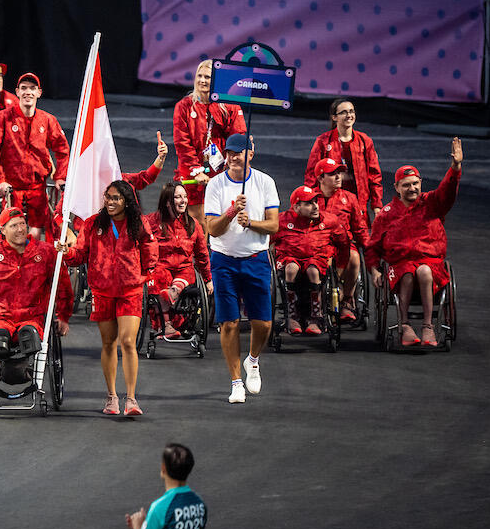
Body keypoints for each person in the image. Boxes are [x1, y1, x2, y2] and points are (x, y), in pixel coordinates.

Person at [59, 180, 158, 416]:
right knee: (108, 343)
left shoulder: (138, 223)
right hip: (102, 291)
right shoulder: (94, 223)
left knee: (127, 342)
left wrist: (144, 273)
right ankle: (112, 396)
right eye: (108, 197)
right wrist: (66, 252)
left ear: (126, 201)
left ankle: (131, 399)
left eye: (116, 198)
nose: (111, 202)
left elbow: (150, 248)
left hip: (129, 291)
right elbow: (80, 254)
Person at [204, 134, 279, 404]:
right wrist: (230, 212)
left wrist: (251, 223)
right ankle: (236, 382)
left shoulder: (265, 182)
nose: (233, 157)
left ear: (251, 153)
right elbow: (212, 229)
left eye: (239, 152)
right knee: (229, 323)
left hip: (256, 258)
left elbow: (273, 226)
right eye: (229, 152)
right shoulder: (215, 185)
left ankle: (253, 361)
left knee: (263, 324)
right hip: (224, 260)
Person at [366, 138, 462, 347]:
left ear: (421, 183)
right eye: (406, 185)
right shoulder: (386, 214)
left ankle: (428, 326)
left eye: (415, 183)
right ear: (397, 187)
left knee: (424, 271)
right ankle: (405, 325)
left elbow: (448, 190)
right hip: (400, 265)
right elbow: (373, 246)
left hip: (431, 263)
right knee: (408, 273)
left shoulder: (432, 204)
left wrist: (455, 168)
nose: (412, 188)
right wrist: (374, 271)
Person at [0, 207, 72, 383]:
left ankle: (26, 369)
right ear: (3, 230)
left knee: (30, 338)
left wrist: (63, 317)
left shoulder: (46, 252)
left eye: (23, 224)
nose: (20, 229)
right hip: (0, 318)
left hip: (33, 318)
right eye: (14, 225)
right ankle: (1, 366)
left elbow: (63, 286)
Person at [0, 72, 69, 239]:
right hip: (12, 187)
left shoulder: (47, 119)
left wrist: (60, 176)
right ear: (17, 92)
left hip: (38, 186)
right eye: (24, 88)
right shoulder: (3, 118)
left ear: (39, 93)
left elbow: (62, 148)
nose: (28, 92)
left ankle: (33, 261)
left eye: (32, 88)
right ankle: (16, 262)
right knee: (14, 228)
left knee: (36, 230)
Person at [172, 59, 246, 226]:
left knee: (221, 215)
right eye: (199, 76)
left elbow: (237, 137)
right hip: (192, 170)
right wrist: (195, 171)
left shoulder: (230, 105)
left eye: (207, 77)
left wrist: (230, 167)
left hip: (221, 168)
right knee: (195, 220)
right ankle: (200, 251)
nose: (202, 81)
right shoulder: (184, 106)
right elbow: (182, 143)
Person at [272, 185, 344, 335]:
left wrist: (339, 267)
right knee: (291, 268)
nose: (315, 206)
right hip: (289, 260)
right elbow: (266, 242)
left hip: (316, 260)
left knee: (313, 270)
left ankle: (316, 316)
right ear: (296, 206)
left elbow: (343, 244)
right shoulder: (281, 220)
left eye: (316, 201)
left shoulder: (329, 221)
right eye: (309, 203)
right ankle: (292, 315)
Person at [144, 180, 212, 338]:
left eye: (185, 196)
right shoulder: (151, 221)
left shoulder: (193, 225)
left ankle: (174, 291)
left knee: (187, 274)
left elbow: (202, 254)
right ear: (168, 202)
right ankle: (166, 324)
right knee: (158, 277)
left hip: (184, 269)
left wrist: (208, 279)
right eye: (178, 197)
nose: (183, 201)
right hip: (161, 266)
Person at [311, 158, 370, 322]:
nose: (338, 177)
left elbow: (359, 228)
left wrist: (370, 248)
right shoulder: (310, 197)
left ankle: (347, 299)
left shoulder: (350, 198)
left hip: (343, 244)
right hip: (317, 245)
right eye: (332, 174)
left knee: (355, 257)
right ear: (321, 178)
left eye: (339, 173)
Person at [305, 98, 383, 217]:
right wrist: (310, 201)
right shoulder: (323, 141)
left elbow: (374, 175)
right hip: (330, 203)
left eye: (351, 111)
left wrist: (377, 205)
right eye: (344, 112)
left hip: (359, 203)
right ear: (334, 117)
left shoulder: (364, 141)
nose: (349, 115)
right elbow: (312, 175)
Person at [126, 443, 207, 529]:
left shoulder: (160, 507)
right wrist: (148, 523)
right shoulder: (200, 504)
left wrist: (137, 527)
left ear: (163, 468)